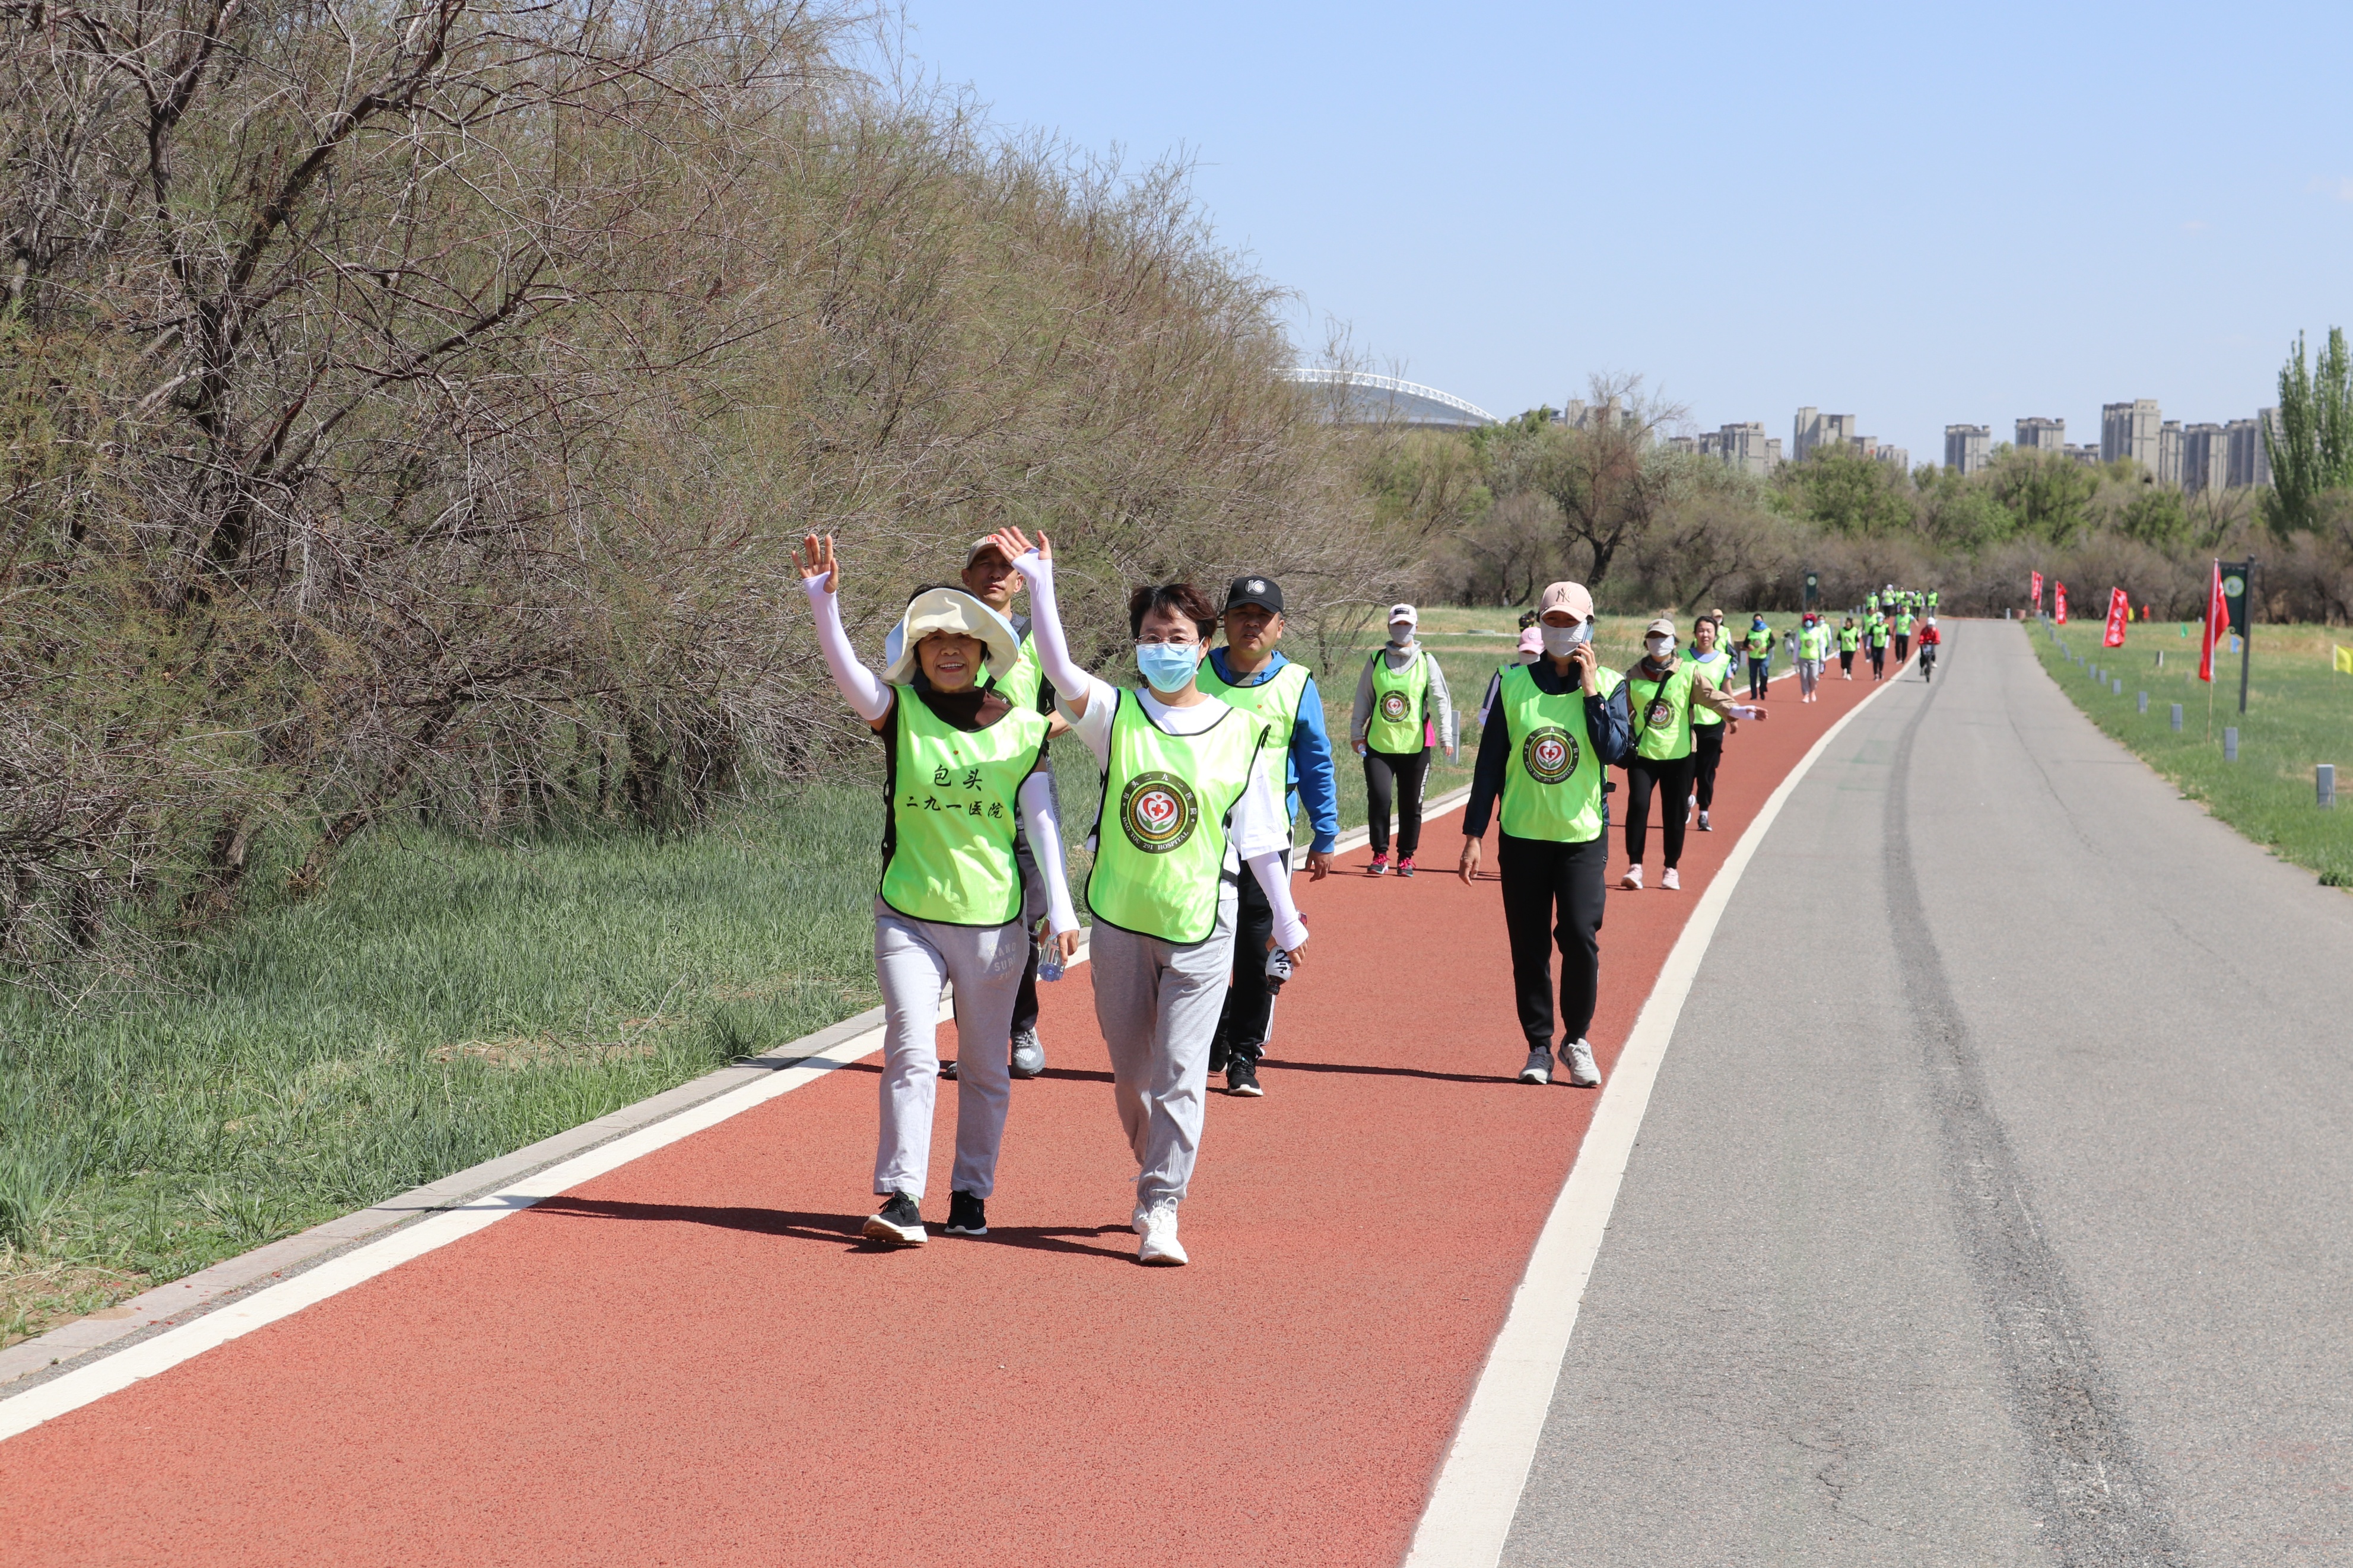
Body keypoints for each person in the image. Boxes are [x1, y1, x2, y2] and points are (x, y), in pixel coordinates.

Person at [992, 527, 1308, 1267]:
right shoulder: (1115, 716)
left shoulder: (1242, 729)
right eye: (1148, 635)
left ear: (1202, 645)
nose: (1161, 645)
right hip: (1122, 923)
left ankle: (1160, 1204)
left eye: (1175, 634)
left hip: (1203, 921)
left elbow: (1260, 832)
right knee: (1132, 1073)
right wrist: (1041, 587)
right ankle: (1153, 1164)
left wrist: (1285, 918)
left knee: (1179, 1072)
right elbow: (1062, 668)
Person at [794, 535, 1082, 1248]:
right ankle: (901, 1196)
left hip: (994, 925)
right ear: (915, 653)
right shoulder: (898, 713)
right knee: (911, 1050)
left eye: (962, 639)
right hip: (907, 917)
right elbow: (845, 673)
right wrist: (822, 607)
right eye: (932, 641)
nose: (947, 650)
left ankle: (970, 1194)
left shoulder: (1021, 728)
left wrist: (1064, 908)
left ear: (987, 651)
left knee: (985, 1068)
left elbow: (1041, 819)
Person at [1459, 581, 1634, 1089]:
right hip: (1522, 836)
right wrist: (1474, 833)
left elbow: (1615, 750)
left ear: (1588, 627)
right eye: (1551, 621)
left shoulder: (1611, 684)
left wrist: (1591, 689)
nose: (1560, 630)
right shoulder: (1511, 681)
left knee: (1579, 937)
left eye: (1570, 622)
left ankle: (1575, 1038)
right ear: (1539, 625)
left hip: (1581, 837)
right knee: (1529, 947)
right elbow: (1489, 764)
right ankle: (1538, 1045)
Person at [1196, 573, 1339, 1098]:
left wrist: (1325, 832)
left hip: (1265, 840)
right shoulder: (1195, 672)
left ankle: (1244, 1053)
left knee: (1255, 950)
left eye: (1262, 617)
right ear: (1224, 622)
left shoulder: (1296, 683)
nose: (1250, 624)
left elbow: (1316, 761)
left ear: (1280, 627)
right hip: (1199, 837)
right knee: (1201, 943)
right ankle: (1209, 1034)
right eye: (1240, 614)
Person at [932, 537, 1063, 1083]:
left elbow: (1071, 709)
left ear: (1018, 581)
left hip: (1026, 787)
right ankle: (975, 1039)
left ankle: (1022, 1026)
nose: (993, 574)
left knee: (1023, 918)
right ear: (965, 576)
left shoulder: (1038, 639)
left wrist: (1022, 735)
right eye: (982, 565)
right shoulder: (946, 637)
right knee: (968, 914)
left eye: (1004, 567)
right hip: (962, 793)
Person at [1618, 618, 1764, 892]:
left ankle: (1671, 868)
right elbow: (1623, 712)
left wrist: (1739, 711)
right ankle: (1635, 866)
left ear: (1674, 642)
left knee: (1674, 813)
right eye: (1653, 637)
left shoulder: (1688, 672)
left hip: (1680, 756)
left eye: (1664, 637)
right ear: (1646, 641)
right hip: (1644, 756)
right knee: (1638, 806)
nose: (1658, 642)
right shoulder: (1633, 675)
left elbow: (1711, 695)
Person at [1351, 603, 1458, 878]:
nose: (1402, 630)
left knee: (1411, 805)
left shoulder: (1426, 660)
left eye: (1407, 625)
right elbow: (1364, 698)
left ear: (1416, 627)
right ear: (1389, 627)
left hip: (1416, 746)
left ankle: (1406, 857)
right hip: (1379, 745)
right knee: (1380, 798)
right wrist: (1356, 733)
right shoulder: (1375, 660)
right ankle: (1380, 854)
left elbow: (1441, 700)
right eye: (1397, 625)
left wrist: (1447, 735)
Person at [1683, 615, 1735, 833]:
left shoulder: (1724, 659)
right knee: (1686, 770)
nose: (1705, 634)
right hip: (1687, 724)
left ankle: (1704, 814)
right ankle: (1684, 803)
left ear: (1716, 634)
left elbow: (1726, 689)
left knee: (1707, 771)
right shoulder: (1683, 658)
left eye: (1709, 631)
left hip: (1713, 724)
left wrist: (1732, 716)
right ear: (1695, 633)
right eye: (1701, 630)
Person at [1479, 625, 1544, 728]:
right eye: (1525, 652)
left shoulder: (1551, 677)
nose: (1529, 656)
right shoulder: (1504, 674)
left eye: (1534, 653)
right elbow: (1487, 714)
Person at [1795, 612, 1830, 704]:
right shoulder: (1801, 632)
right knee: (1804, 677)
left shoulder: (1818, 631)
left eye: (1810, 620)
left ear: (1813, 621)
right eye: (1807, 620)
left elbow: (1822, 645)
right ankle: (1806, 694)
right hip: (1803, 657)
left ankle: (1813, 691)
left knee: (1814, 676)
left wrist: (1823, 657)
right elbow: (1797, 646)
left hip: (1814, 658)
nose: (1808, 622)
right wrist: (1795, 659)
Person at [1741, 613, 1774, 700]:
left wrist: (1767, 648)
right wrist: (1749, 646)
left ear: (1762, 620)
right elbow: (1745, 643)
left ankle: (1762, 690)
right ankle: (1754, 695)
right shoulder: (1750, 631)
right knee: (1753, 676)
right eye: (1756, 620)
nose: (1758, 622)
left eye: (1759, 620)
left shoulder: (1767, 631)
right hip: (1753, 657)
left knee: (1764, 675)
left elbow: (1773, 642)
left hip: (1763, 657)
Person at [1866, 610, 1891, 680]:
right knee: (1875, 660)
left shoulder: (1886, 627)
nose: (1879, 619)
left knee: (1881, 660)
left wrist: (1887, 644)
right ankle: (1876, 674)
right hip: (1875, 646)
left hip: (1882, 646)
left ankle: (1880, 671)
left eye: (1880, 618)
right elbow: (1870, 637)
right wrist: (1868, 646)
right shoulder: (1873, 627)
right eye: (1878, 618)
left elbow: (1888, 636)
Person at [1836, 615, 1860, 680]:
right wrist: (1838, 647)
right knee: (1843, 662)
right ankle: (1844, 670)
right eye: (1847, 623)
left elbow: (1857, 640)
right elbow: (1839, 639)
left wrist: (1858, 648)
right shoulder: (1842, 630)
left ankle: (1849, 674)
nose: (1848, 624)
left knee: (1850, 662)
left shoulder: (1855, 630)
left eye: (1849, 623)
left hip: (1852, 649)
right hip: (1844, 649)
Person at [1918, 614, 1942, 680]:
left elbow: (1938, 637)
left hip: (1932, 644)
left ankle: (1933, 662)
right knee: (1923, 656)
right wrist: (1921, 641)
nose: (1930, 626)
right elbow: (1922, 636)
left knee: (1933, 653)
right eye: (1929, 625)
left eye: (1931, 625)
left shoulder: (1935, 630)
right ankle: (1922, 668)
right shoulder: (1924, 630)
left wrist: (1937, 641)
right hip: (1925, 644)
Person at [1892, 601, 1915, 666]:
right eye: (1902, 610)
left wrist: (1916, 623)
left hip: (1906, 634)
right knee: (1897, 646)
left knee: (1905, 647)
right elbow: (1895, 625)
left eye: (1905, 610)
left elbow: (1914, 620)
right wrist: (1893, 633)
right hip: (1899, 634)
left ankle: (1903, 659)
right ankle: (1898, 658)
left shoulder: (1909, 616)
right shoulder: (1898, 616)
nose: (1903, 611)